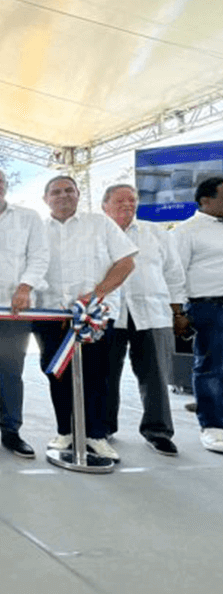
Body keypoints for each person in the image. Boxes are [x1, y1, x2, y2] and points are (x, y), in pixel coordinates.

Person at [34, 175, 136, 462]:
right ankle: (65, 431)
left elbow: (126, 262)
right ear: (46, 199)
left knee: (96, 376)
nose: (63, 196)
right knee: (56, 374)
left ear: (79, 194)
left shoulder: (100, 224)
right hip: (51, 317)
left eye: (69, 190)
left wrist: (96, 295)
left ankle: (95, 435)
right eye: (56, 192)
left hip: (95, 317)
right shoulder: (37, 231)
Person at [0, 167, 49, 458]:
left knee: (12, 373)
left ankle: (12, 432)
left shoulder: (28, 218)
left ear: (6, 185)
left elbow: (40, 256)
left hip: (16, 310)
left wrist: (25, 287)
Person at [101, 184, 183, 456]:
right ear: (105, 206)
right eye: (120, 200)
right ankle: (102, 428)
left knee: (156, 376)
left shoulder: (155, 233)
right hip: (109, 315)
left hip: (152, 314)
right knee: (104, 374)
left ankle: (158, 431)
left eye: (132, 200)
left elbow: (174, 273)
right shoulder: (96, 235)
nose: (127, 204)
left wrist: (177, 311)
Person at [172, 176, 223, 454]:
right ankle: (213, 427)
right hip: (208, 305)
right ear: (205, 200)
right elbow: (176, 274)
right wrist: (177, 311)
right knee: (211, 365)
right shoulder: (186, 231)